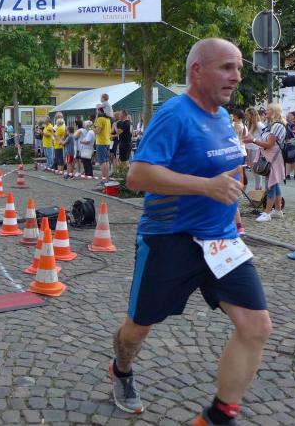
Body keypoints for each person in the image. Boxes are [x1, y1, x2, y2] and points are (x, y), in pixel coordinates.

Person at [111, 38, 270, 424]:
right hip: (170, 239)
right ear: (197, 70)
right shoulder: (175, 114)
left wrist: (231, 209)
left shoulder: (222, 116)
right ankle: (121, 370)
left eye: (239, 68)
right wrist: (205, 187)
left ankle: (218, 415)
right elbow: (137, 175)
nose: (237, 76)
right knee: (137, 330)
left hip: (221, 240)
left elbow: (225, 172)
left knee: (256, 327)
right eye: (227, 67)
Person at [245, 103, 286, 222]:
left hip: (273, 158)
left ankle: (267, 213)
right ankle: (277, 210)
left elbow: (269, 144)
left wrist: (253, 140)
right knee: (274, 184)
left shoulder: (277, 126)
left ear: (274, 112)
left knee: (270, 185)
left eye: (268, 109)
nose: (265, 111)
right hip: (269, 158)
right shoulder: (271, 125)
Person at [243, 108, 264, 191]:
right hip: (250, 149)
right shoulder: (250, 124)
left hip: (256, 150)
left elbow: (265, 137)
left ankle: (258, 189)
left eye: (247, 115)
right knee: (253, 170)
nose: (246, 116)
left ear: (252, 115)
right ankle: (258, 189)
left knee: (257, 170)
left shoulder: (259, 125)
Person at [94, 107, 112, 183]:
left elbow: (97, 131)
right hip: (107, 142)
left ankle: (103, 179)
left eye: (97, 110)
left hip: (101, 142)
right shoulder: (108, 119)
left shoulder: (100, 119)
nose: (96, 111)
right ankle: (107, 178)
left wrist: (92, 129)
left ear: (99, 111)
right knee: (106, 161)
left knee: (102, 162)